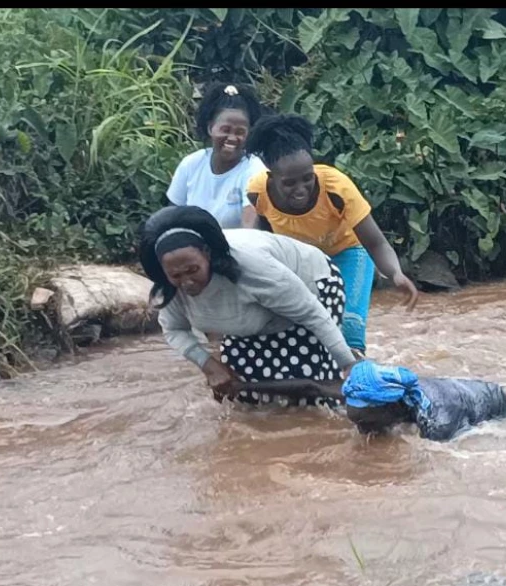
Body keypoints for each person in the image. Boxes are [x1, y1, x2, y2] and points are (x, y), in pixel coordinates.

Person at [139, 205, 359, 407]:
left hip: (311, 286)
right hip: (249, 321)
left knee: (310, 399)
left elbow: (311, 313)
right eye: (176, 275)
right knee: (241, 397)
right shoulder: (168, 287)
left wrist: (348, 364)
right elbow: (175, 329)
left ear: (207, 253)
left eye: (193, 270)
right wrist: (208, 364)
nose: (186, 282)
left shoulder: (250, 267)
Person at [240, 113, 419, 355]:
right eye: (290, 183)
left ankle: (356, 381)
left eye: (307, 179)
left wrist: (395, 273)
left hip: (348, 253)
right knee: (300, 331)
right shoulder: (257, 192)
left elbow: (375, 243)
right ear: (272, 178)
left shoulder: (337, 188)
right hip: (302, 261)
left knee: (349, 329)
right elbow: (262, 238)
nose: (301, 189)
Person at [216, 360, 506, 441]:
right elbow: (311, 386)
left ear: (393, 409)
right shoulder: (368, 394)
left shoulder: (438, 422)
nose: (358, 427)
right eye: (354, 417)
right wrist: (244, 385)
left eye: (365, 422)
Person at [166, 83, 267, 228]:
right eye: (225, 130)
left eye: (240, 132)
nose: (232, 138)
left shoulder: (255, 171)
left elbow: (250, 228)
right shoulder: (191, 164)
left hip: (237, 248)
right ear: (210, 128)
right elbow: (171, 217)